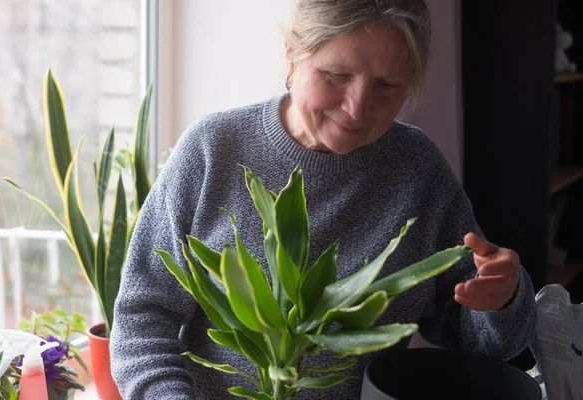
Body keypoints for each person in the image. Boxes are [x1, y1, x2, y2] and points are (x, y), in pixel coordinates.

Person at [109, 1, 537, 398]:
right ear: (292, 57)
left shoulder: (418, 170)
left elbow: (478, 343)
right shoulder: (213, 149)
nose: (357, 108)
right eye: (336, 76)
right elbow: (141, 321)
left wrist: (502, 301)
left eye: (387, 86)